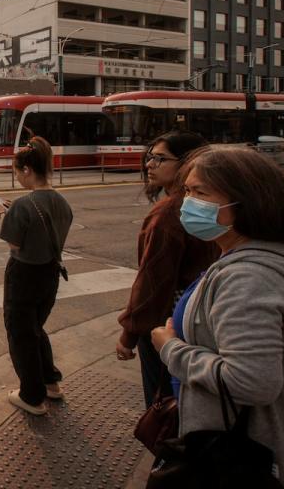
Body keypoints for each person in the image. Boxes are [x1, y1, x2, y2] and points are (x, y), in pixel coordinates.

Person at [151, 148, 284, 489]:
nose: (187, 203)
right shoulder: (254, 259)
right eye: (186, 191)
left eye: (200, 192)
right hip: (241, 445)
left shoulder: (247, 278)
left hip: (248, 459)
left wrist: (171, 348)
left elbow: (252, 382)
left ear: (246, 203)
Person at [115, 131, 218, 407]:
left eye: (160, 159)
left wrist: (129, 336)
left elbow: (153, 283)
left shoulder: (168, 214)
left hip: (168, 325)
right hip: (203, 318)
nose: (149, 164)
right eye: (149, 157)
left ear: (187, 163)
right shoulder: (210, 206)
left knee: (164, 404)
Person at [0, 136, 73, 415]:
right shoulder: (63, 203)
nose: (17, 178)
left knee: (21, 334)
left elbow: (15, 245)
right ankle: (51, 383)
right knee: (36, 329)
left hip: (24, 275)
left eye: (17, 172)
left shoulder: (22, 205)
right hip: (50, 274)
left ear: (27, 170)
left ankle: (32, 396)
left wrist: (7, 215)